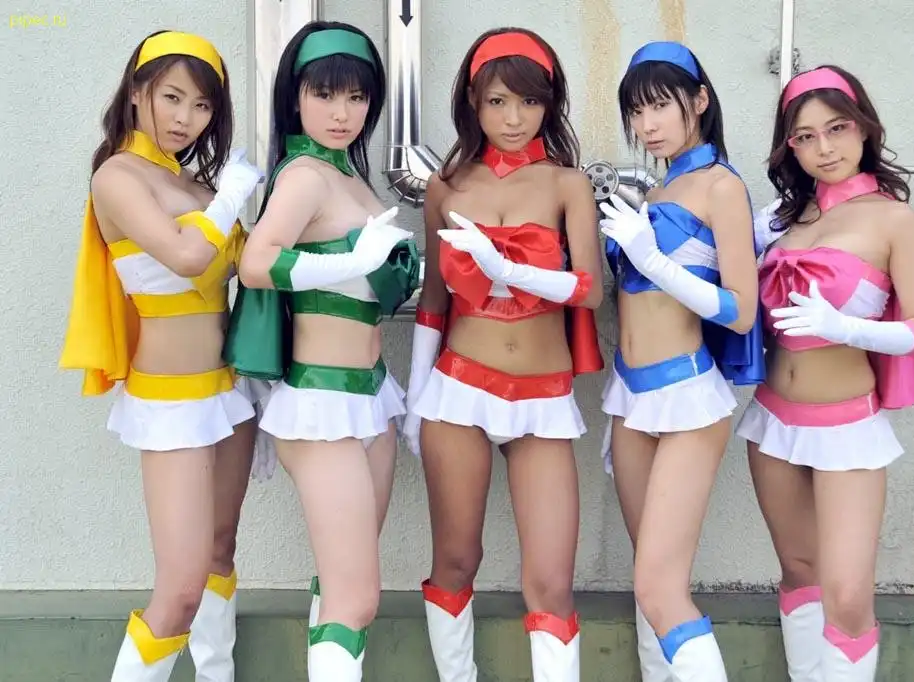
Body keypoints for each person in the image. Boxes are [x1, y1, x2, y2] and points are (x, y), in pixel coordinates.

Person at [735, 65, 914, 682]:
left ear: (863, 128)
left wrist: (848, 329)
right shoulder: (786, 219)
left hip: (848, 427)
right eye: (805, 137)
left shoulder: (893, 219)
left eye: (836, 128)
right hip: (773, 420)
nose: (824, 148)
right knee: (799, 571)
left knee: (849, 595)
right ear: (790, 147)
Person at [58, 30, 263, 682]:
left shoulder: (198, 186)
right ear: (137, 92)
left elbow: (250, 270)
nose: (185, 118)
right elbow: (186, 257)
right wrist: (232, 197)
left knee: (220, 552)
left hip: (228, 391)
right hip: (170, 402)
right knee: (178, 589)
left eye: (202, 106)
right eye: (172, 97)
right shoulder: (117, 176)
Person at [401, 27, 604, 682]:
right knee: (457, 560)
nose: (513, 118)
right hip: (458, 390)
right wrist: (416, 399)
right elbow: (434, 299)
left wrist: (510, 271)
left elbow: (591, 289)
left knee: (551, 581)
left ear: (550, 104)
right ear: (473, 102)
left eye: (529, 102)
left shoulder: (568, 184)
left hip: (543, 398)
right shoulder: (447, 186)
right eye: (497, 102)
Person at [224, 21, 418, 681]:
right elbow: (256, 263)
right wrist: (349, 263)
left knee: (343, 587)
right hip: (320, 404)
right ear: (295, 97)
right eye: (325, 94)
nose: (342, 112)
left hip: (370, 399)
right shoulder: (305, 175)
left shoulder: (352, 179)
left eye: (357, 97)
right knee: (355, 599)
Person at [596, 41, 764, 682]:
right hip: (630, 396)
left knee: (659, 587)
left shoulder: (722, 186)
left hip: (688, 396)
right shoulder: (660, 187)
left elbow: (740, 311)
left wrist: (652, 258)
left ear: (699, 100)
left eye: (661, 106)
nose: (647, 125)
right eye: (637, 112)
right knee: (650, 581)